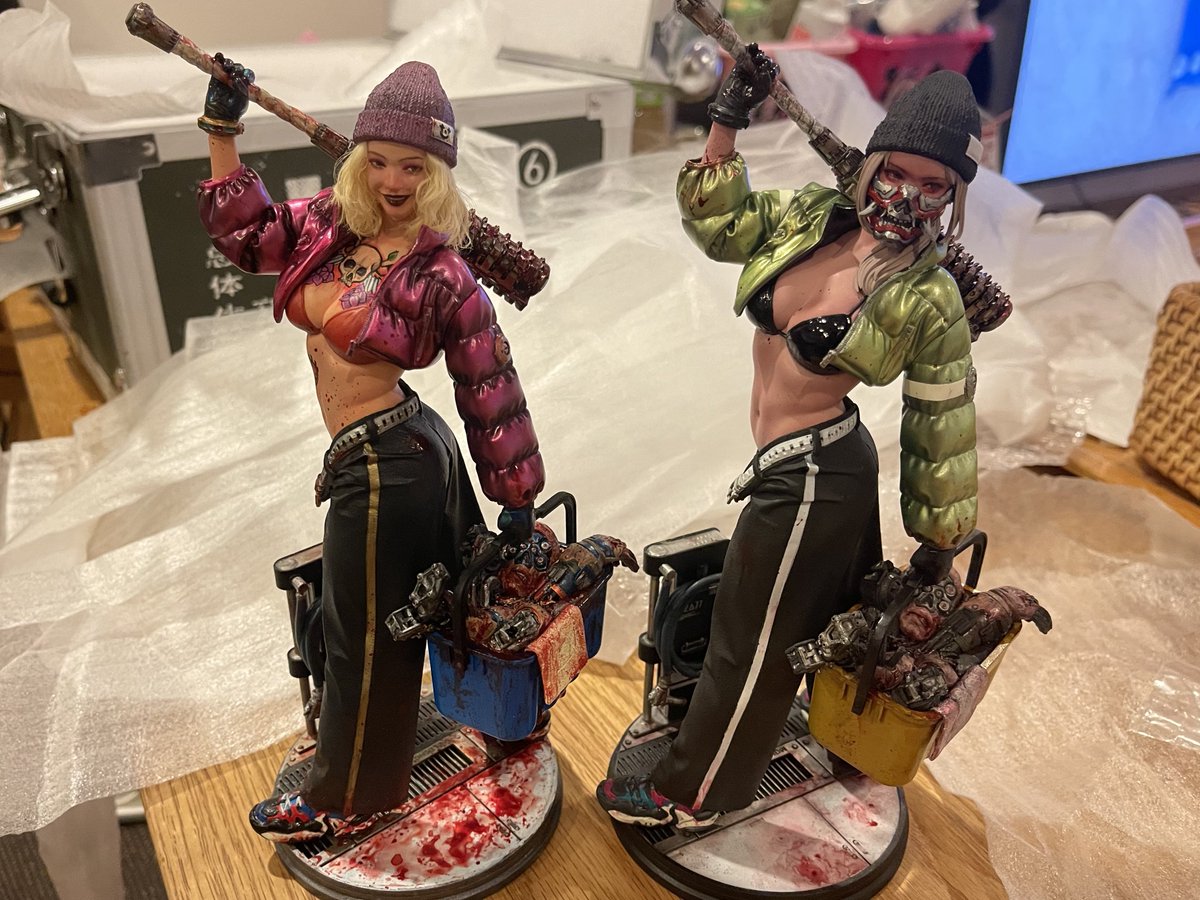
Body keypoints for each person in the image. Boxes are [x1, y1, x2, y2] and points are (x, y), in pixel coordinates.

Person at [597, 56, 980, 830]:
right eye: (894, 172)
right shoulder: (812, 217)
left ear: (952, 198)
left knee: (755, 641)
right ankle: (845, 743)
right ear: (870, 165)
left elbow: (941, 421)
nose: (905, 196)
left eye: (932, 185)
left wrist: (941, 541)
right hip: (800, 466)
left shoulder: (928, 294)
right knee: (834, 627)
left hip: (816, 475)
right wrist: (725, 121)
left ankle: (693, 795)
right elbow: (719, 226)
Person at [196, 57, 544, 843]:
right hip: (379, 454)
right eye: (378, 160)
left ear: (437, 174)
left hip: (395, 465)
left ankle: (348, 796)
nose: (392, 180)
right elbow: (249, 238)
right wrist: (222, 129)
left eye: (413, 167)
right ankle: (461, 736)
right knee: (403, 612)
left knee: (371, 635)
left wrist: (518, 502)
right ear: (358, 160)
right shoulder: (330, 223)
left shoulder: (444, 274)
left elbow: (491, 386)